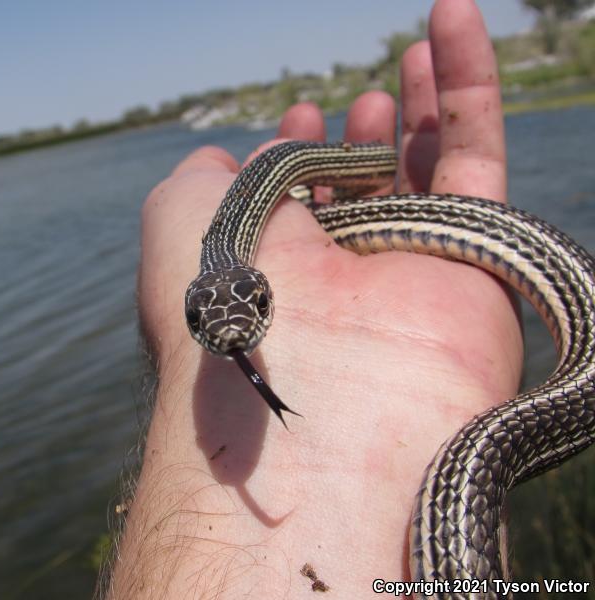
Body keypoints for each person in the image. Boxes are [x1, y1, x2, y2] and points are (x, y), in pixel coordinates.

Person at [107, 0, 517, 596]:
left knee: (304, 157)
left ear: (264, 297)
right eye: (202, 324)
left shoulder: (243, 221)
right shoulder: (222, 273)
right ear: (191, 307)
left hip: (307, 176)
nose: (233, 338)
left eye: (254, 314)